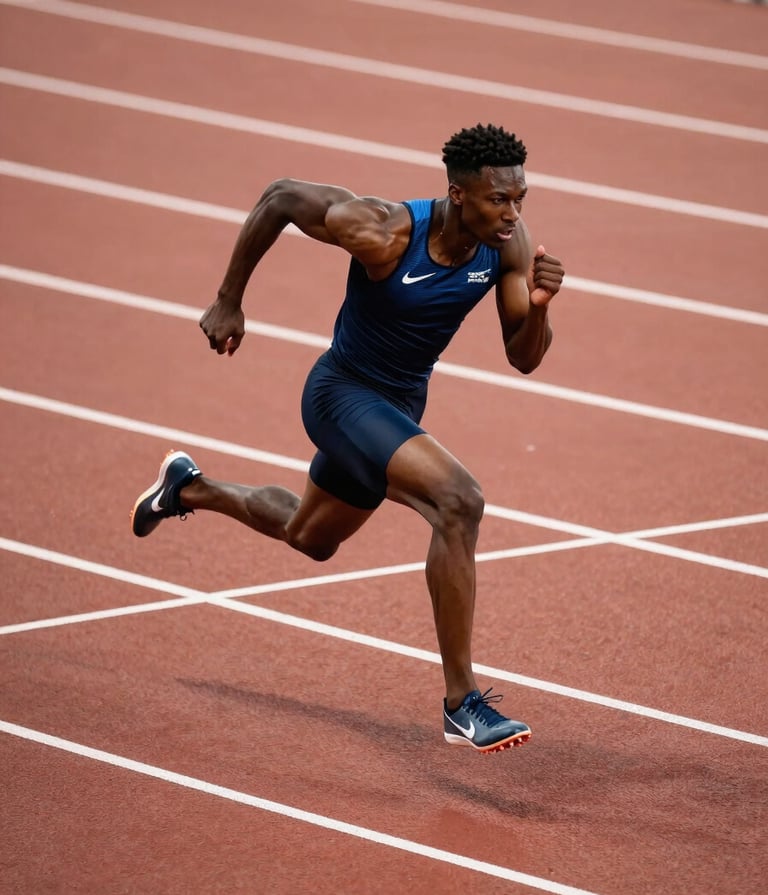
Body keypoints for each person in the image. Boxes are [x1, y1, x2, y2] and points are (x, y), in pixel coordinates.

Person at [131, 123, 564, 754]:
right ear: (459, 195)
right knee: (458, 500)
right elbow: (280, 196)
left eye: (521, 197)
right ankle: (461, 703)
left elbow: (523, 358)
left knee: (311, 537)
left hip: (398, 407)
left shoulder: (508, 244)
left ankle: (188, 489)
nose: (514, 212)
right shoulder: (384, 230)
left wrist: (543, 305)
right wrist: (229, 301)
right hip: (341, 395)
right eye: (500, 199)